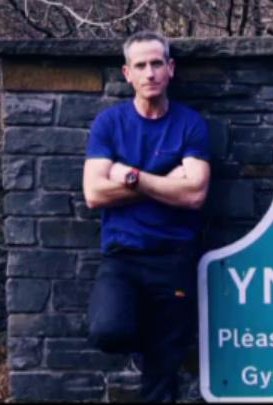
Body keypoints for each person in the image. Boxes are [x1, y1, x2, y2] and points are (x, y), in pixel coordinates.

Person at [82, 30, 211, 402]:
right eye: (141, 65)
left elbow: (195, 194)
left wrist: (132, 176)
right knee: (109, 329)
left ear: (171, 69)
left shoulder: (190, 124)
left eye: (157, 63)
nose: (150, 72)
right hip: (123, 256)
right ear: (127, 73)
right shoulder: (110, 124)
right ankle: (147, 334)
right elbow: (94, 193)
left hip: (175, 257)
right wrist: (165, 183)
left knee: (163, 372)